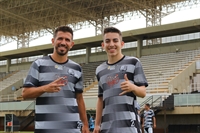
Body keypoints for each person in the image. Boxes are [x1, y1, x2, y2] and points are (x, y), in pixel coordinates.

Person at [22, 26, 89, 133]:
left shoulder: (77, 68)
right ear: (53, 41)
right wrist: (45, 88)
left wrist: (85, 124)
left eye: (67, 40)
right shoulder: (38, 64)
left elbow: (79, 99)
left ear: (72, 44)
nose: (63, 42)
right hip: (46, 129)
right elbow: (25, 93)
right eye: (60, 39)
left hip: (71, 129)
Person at [93, 27, 148, 133]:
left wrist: (133, 87)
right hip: (107, 127)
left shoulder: (133, 62)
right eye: (107, 41)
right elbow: (100, 99)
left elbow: (143, 92)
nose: (111, 44)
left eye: (115, 40)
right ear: (103, 45)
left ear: (122, 44)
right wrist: (97, 124)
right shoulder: (100, 70)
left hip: (129, 126)